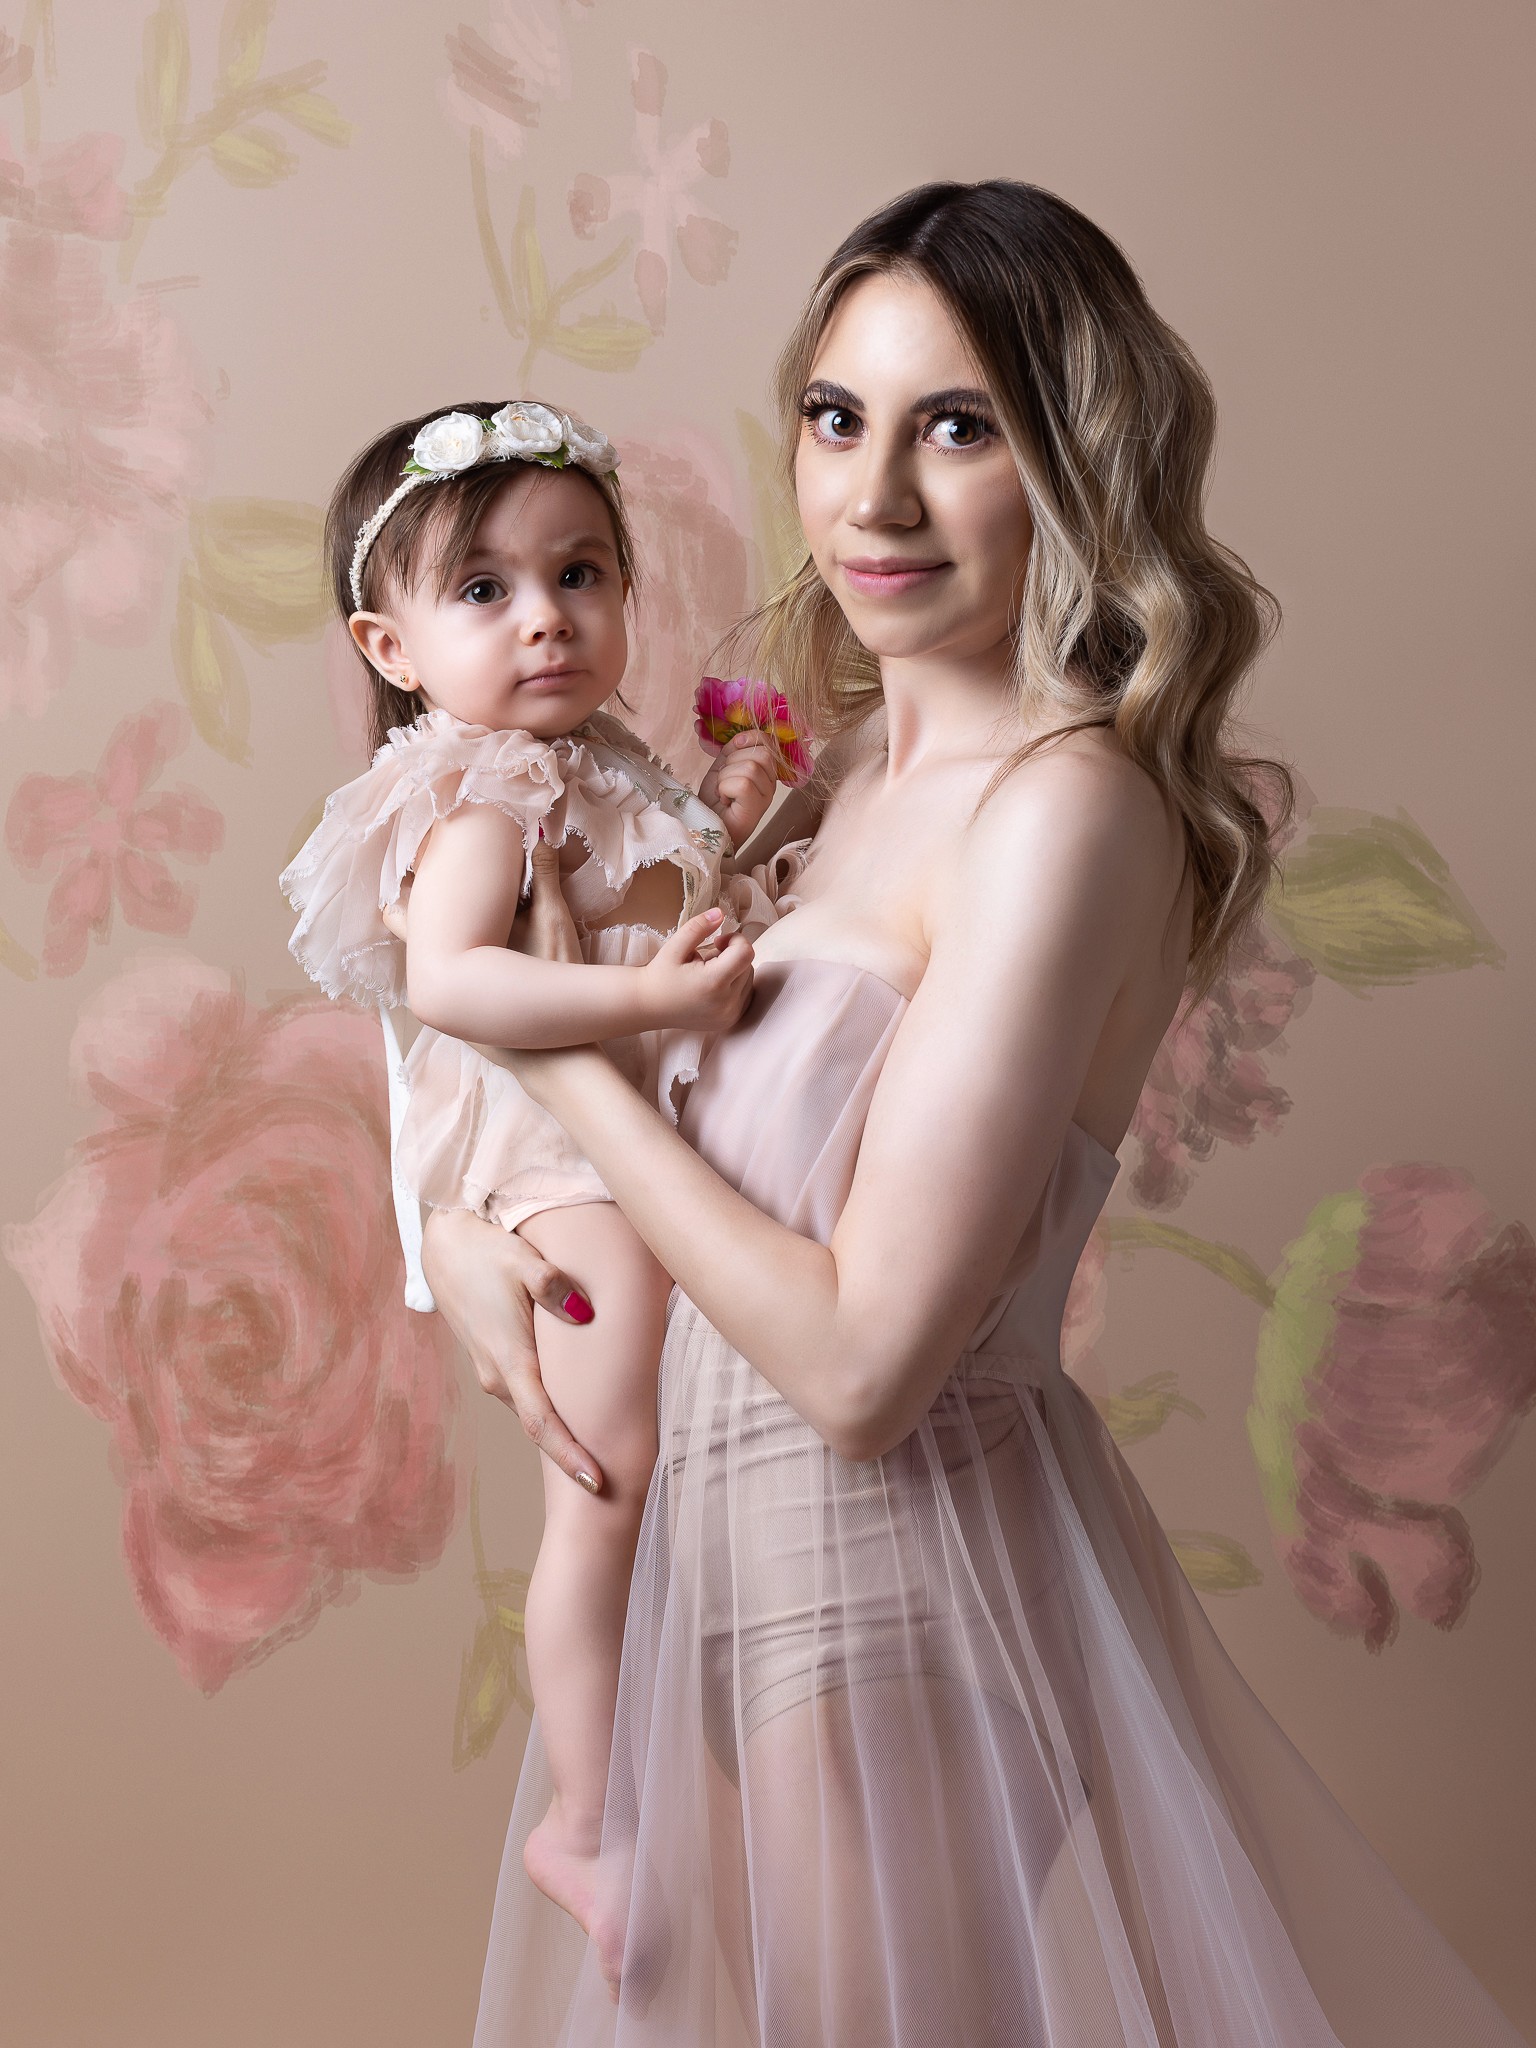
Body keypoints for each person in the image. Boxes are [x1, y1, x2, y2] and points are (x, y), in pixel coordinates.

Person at [421, 187, 1529, 2045]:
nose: (876, 498)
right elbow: (646, 1194)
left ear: (1076, 458)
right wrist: (470, 1241)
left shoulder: (1066, 813)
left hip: (898, 1616)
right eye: (839, 418)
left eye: (962, 426)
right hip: (709, 1592)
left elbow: (859, 1362)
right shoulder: (814, 777)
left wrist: (561, 1070)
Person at [279, 399, 788, 1933]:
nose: (549, 620)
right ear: (391, 647)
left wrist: (753, 825)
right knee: (611, 1478)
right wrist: (653, 997)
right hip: (553, 1161)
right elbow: (454, 984)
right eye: (485, 591)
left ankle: (683, 1781)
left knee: (680, 1465)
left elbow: (672, 899)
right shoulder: (480, 790)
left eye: (583, 575)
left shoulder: (603, 766)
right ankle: (587, 1817)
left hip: (626, 1137)